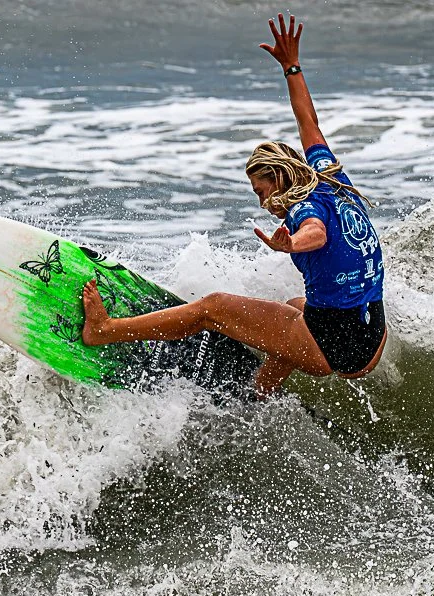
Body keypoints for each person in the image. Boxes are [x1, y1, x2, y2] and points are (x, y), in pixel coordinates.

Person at [80, 14, 387, 397]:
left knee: (214, 307)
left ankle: (105, 331)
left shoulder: (302, 209)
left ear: (280, 179)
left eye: (261, 191)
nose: (262, 202)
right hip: (372, 333)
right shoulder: (328, 174)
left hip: (337, 348)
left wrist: (291, 243)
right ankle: (261, 392)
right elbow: (308, 119)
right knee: (295, 306)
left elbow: (316, 232)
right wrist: (291, 67)